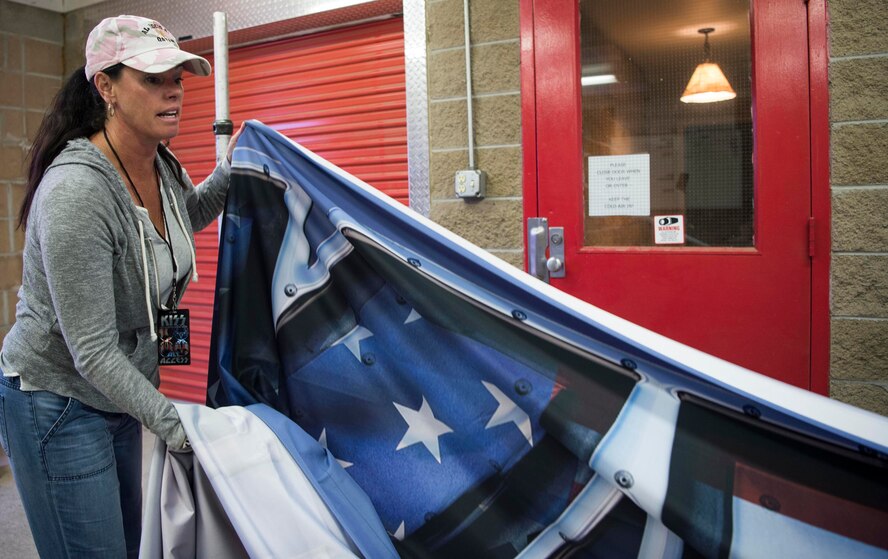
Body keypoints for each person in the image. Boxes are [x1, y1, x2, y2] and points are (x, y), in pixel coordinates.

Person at [0, 15, 243, 558]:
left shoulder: (158, 163)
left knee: (126, 546)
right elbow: (90, 350)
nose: (173, 91)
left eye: (177, 77)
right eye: (153, 78)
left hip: (116, 393)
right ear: (105, 87)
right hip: (56, 398)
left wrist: (242, 169)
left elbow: (182, 217)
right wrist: (177, 426)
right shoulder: (77, 193)